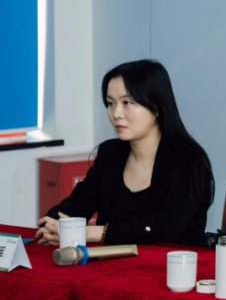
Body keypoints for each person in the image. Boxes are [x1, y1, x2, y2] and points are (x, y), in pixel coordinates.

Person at [35, 59, 214, 247]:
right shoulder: (110, 154)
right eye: (110, 103)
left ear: (156, 108)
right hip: (112, 262)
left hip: (173, 263)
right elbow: (77, 204)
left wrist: (93, 233)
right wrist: (53, 224)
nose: (116, 113)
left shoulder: (189, 162)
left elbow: (165, 227)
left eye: (127, 102)